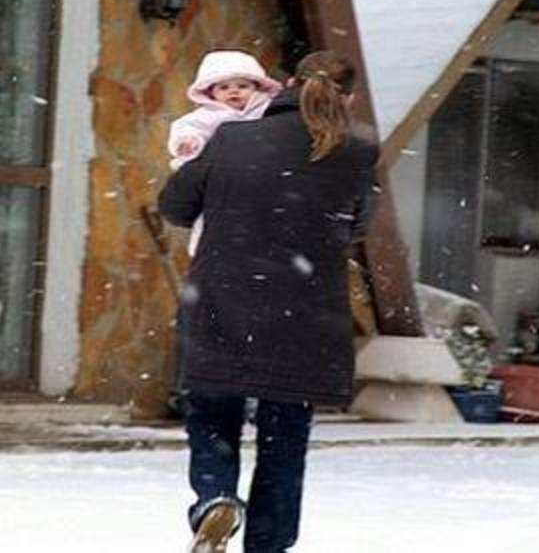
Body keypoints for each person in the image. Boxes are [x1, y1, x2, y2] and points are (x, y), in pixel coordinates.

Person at [158, 50, 380, 553]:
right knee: (285, 438)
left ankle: (215, 499)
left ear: (284, 84)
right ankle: (269, 543)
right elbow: (358, 223)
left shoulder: (233, 138)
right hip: (305, 314)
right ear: (348, 98)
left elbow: (174, 205)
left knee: (213, 414)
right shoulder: (357, 153)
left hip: (222, 301)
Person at [168, 49, 283, 255]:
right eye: (224, 87)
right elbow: (189, 128)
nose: (234, 92)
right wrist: (188, 142)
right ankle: (205, 248)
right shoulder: (208, 116)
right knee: (213, 214)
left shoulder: (267, 110)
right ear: (211, 92)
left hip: (263, 175)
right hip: (222, 176)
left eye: (242, 86)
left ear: (256, 87)